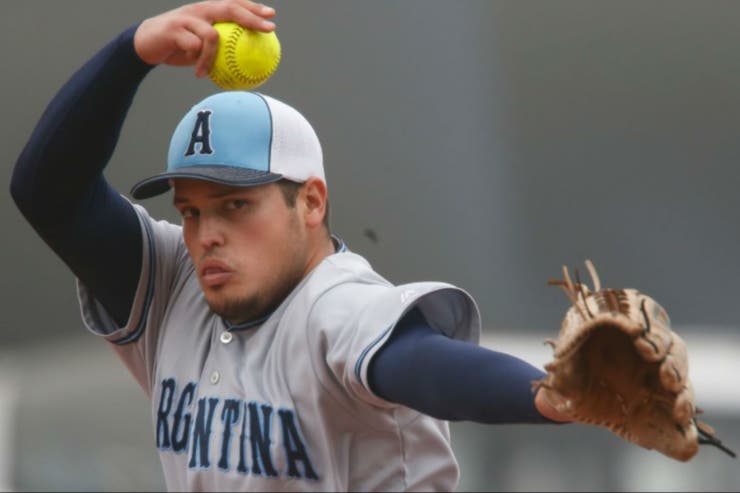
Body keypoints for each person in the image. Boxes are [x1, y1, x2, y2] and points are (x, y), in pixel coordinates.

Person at [11, 1, 567, 491]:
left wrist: (541, 393)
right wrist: (131, 52)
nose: (206, 235)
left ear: (312, 202)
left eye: (235, 205)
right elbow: (48, 194)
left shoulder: (337, 303)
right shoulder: (173, 285)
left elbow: (419, 364)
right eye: (190, 211)